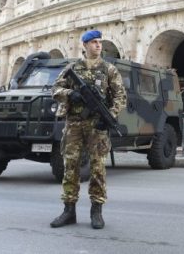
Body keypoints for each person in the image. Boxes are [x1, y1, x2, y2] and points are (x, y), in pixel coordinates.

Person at [49, 30, 127, 229]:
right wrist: (70, 94)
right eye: (93, 42)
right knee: (70, 167)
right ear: (84, 45)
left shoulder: (109, 69)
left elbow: (120, 97)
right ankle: (68, 211)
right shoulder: (72, 68)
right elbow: (55, 90)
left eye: (100, 42)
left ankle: (96, 211)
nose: (98, 45)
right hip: (74, 124)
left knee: (98, 168)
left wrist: (110, 117)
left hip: (97, 126)